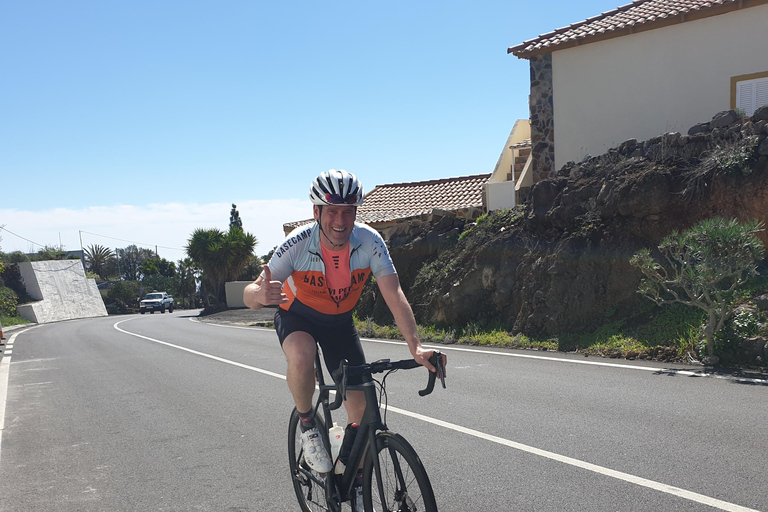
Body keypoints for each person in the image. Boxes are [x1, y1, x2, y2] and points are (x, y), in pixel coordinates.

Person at [243, 169, 446, 508]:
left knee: (362, 413)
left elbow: (394, 295)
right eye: (332, 211)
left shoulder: (369, 241)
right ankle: (308, 423)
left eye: (348, 210)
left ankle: (351, 478)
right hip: (299, 316)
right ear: (317, 212)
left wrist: (416, 346)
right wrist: (259, 295)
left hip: (339, 323)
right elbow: (252, 292)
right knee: (302, 356)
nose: (340, 219)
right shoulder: (296, 244)